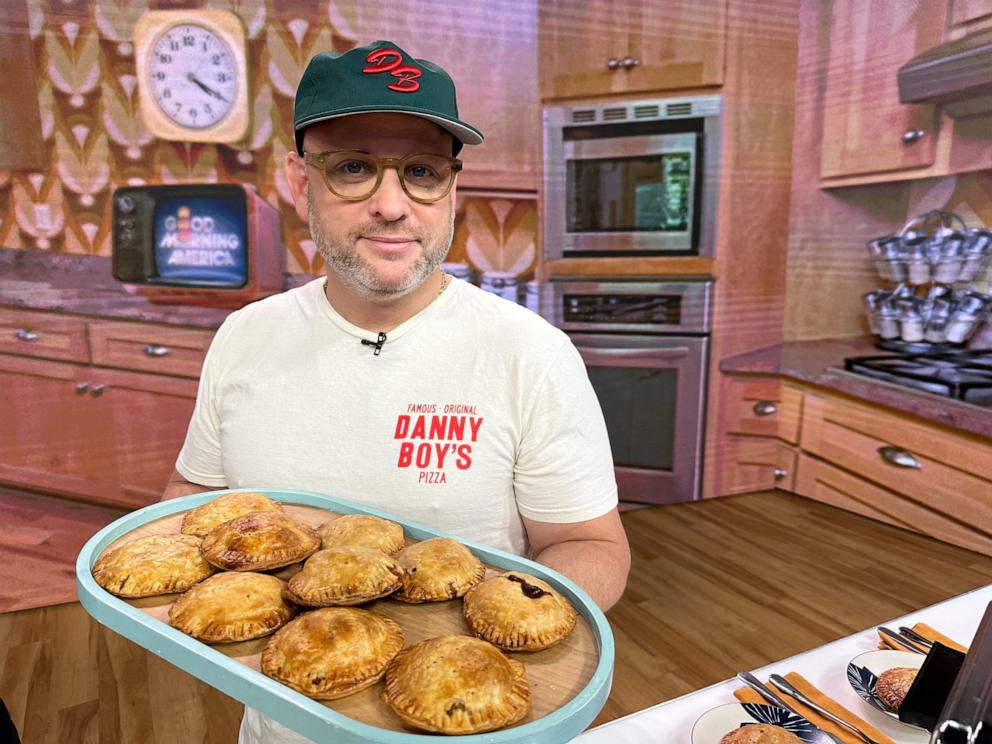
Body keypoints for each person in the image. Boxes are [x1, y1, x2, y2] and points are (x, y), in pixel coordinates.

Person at [161, 39, 630, 743]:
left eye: (421, 171)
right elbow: (190, 505)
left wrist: (481, 650)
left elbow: (592, 544)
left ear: (451, 187)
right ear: (300, 180)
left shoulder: (529, 353)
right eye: (352, 168)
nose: (391, 204)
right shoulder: (244, 337)